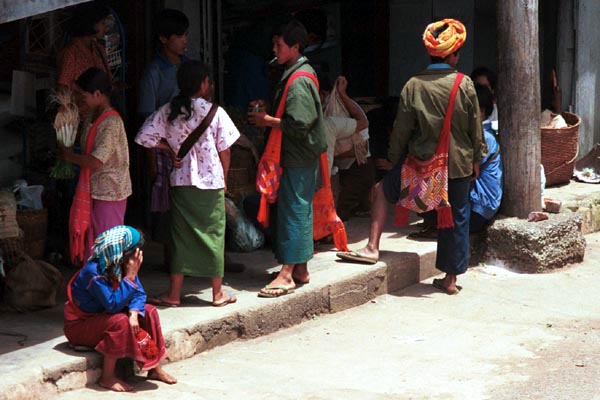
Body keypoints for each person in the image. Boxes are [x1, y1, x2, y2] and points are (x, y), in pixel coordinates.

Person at [336, 18, 484, 295]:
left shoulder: (413, 85)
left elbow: (401, 130)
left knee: (381, 190)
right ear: (452, 55)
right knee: (457, 217)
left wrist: (393, 160)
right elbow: (475, 128)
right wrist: (477, 158)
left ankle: (371, 247)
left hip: (422, 166)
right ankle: (450, 279)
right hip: (459, 164)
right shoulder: (464, 84)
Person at [135, 60, 240, 307]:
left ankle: (173, 294)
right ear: (204, 84)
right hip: (211, 182)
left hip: (181, 182)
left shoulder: (168, 111)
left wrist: (169, 149)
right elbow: (225, 150)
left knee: (180, 238)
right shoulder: (215, 112)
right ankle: (217, 293)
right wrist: (224, 178)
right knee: (214, 235)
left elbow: (143, 138)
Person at [248, 19, 327, 297]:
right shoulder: (298, 73)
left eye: (279, 45)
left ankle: (286, 274)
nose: (275, 48)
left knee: (293, 210)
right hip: (300, 155)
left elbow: (300, 123)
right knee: (297, 209)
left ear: (295, 47)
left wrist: (267, 120)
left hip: (298, 155)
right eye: (274, 43)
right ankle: (301, 269)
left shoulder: (299, 80)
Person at [63, 226, 177, 392]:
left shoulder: (120, 265)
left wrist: (134, 313)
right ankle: (107, 377)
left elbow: (139, 294)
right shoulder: (93, 272)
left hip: (103, 318)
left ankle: (154, 368)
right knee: (120, 321)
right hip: (80, 326)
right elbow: (113, 305)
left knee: (150, 311)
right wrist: (130, 277)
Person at [409, 83, 503, 237]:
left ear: (482, 112)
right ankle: (438, 224)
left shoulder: (485, 138)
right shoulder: (473, 135)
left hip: (477, 210)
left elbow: (460, 170)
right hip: (474, 207)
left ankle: (440, 227)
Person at [59, 67, 131, 262]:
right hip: (95, 190)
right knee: (95, 244)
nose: (82, 101)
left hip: (110, 192)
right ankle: (97, 286)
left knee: (106, 246)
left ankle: (108, 287)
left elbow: (96, 160)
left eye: (84, 96)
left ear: (97, 94)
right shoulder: (93, 117)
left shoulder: (112, 122)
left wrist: (68, 157)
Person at [57, 1, 112, 118]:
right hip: (80, 118)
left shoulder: (99, 49)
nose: (105, 28)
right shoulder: (71, 53)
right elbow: (62, 92)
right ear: (90, 24)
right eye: (102, 23)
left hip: (101, 116)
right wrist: (84, 97)